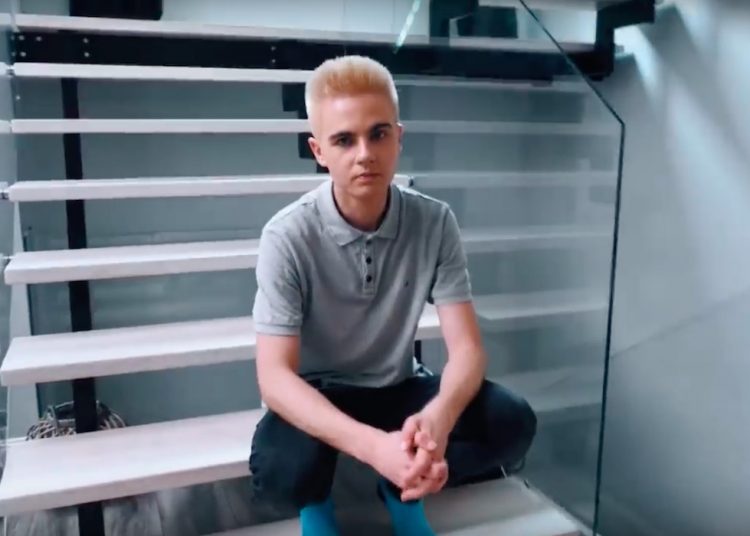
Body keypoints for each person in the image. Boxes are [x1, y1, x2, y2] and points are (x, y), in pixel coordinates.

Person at [249, 55, 536, 536]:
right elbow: (274, 378)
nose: (365, 153)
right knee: (280, 474)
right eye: (344, 140)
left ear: (398, 138)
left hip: (396, 385)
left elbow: (467, 350)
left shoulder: (435, 221)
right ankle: (318, 505)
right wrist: (373, 448)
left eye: (378, 134)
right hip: (319, 391)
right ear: (319, 151)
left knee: (512, 422)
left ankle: (401, 489)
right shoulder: (287, 236)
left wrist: (436, 421)